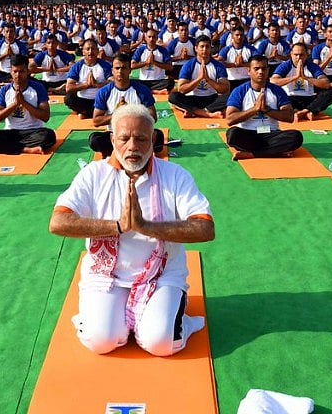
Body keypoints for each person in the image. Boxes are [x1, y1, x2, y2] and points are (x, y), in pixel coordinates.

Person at [49, 103, 214, 356]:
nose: (132, 147)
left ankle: (180, 321)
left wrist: (146, 227)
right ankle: (108, 319)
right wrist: (118, 226)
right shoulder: (93, 175)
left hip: (162, 275)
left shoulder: (175, 176)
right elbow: (58, 223)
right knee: (100, 341)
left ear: (154, 139)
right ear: (112, 139)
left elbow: (205, 228)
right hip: (107, 276)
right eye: (124, 138)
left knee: (161, 344)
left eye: (141, 139)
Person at [225, 55, 303, 160]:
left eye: (263, 68)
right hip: (249, 134)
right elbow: (229, 119)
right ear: (249, 71)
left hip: (271, 134)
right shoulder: (240, 91)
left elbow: (289, 117)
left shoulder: (277, 91)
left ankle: (252, 154)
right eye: (256, 69)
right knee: (232, 134)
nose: (260, 72)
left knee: (296, 137)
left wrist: (267, 110)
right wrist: (254, 109)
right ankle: (275, 151)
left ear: (268, 70)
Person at [89, 54, 164, 157]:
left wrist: (129, 112)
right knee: (94, 139)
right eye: (117, 68)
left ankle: (119, 150)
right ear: (112, 71)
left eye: (124, 68)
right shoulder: (104, 92)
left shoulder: (141, 90)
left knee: (158, 136)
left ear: (130, 70)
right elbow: (96, 121)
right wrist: (117, 114)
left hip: (137, 134)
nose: (120, 71)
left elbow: (153, 117)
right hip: (115, 135)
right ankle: (116, 149)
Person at [0, 54, 56, 155]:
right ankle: (26, 149)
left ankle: (6, 148)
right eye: (15, 71)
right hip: (11, 132)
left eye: (21, 71)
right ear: (10, 72)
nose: (18, 75)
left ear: (28, 72)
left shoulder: (38, 88)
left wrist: (24, 103)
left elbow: (45, 116)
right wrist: (14, 104)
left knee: (49, 136)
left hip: (33, 131)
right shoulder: (4, 90)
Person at [269, 43, 332, 121]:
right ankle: (305, 112)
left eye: (301, 55)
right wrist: (295, 77)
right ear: (291, 54)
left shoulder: (311, 66)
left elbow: (326, 84)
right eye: (296, 55)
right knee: (275, 97)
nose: (298, 58)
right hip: (290, 99)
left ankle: (305, 111)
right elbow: (273, 81)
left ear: (306, 55)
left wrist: (305, 77)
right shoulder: (285, 65)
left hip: (308, 98)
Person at [168, 35, 229, 118]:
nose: (204, 49)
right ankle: (206, 113)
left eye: (207, 47)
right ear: (196, 48)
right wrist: (199, 78)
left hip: (212, 99)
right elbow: (181, 89)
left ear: (210, 49)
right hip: (193, 98)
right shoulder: (188, 65)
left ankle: (193, 111)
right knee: (173, 97)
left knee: (231, 95)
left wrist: (208, 79)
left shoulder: (218, 66)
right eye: (202, 47)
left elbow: (225, 89)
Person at [64, 39, 113, 119]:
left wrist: (98, 85)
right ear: (83, 52)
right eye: (87, 49)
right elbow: (68, 88)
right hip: (83, 100)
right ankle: (87, 112)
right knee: (68, 98)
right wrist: (86, 85)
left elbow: (113, 81)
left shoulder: (104, 65)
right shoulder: (77, 66)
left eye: (93, 49)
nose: (90, 52)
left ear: (97, 51)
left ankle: (92, 113)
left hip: (100, 100)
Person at [131, 28, 173, 92]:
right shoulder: (140, 49)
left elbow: (169, 67)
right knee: (131, 82)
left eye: (153, 37)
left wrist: (155, 63)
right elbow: (132, 65)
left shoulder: (163, 50)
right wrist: (146, 63)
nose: (151, 39)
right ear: (145, 38)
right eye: (149, 37)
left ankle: (148, 89)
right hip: (143, 80)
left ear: (156, 38)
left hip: (158, 80)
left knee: (170, 82)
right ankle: (153, 90)